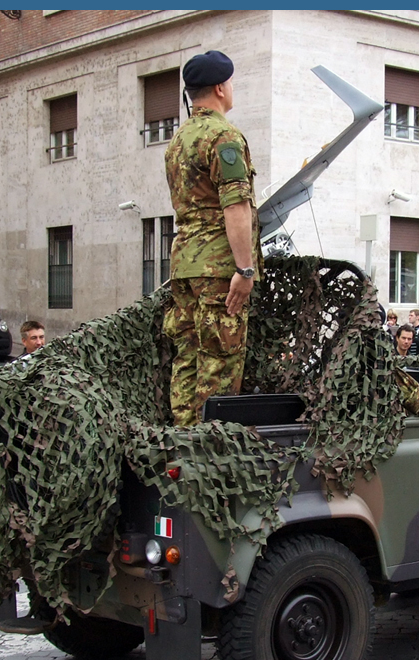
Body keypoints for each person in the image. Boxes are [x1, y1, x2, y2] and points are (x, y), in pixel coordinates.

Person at [163, 50, 261, 426]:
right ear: (220, 88)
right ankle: (209, 461)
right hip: (219, 268)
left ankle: (183, 444)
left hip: (185, 266)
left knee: (188, 359)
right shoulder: (224, 136)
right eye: (231, 83)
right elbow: (236, 206)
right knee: (219, 363)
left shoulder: (178, 140)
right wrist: (245, 269)